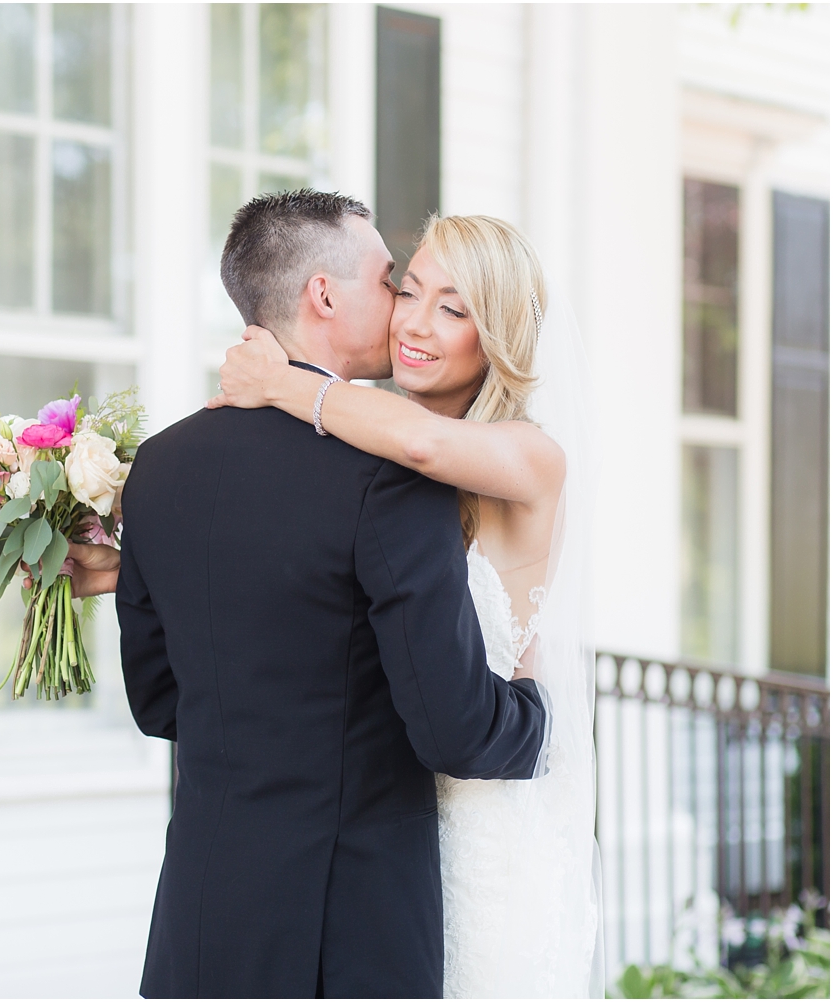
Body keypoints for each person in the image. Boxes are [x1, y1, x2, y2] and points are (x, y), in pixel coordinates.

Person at [69, 190, 551, 998]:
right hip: (347, 933)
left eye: (440, 302)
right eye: (394, 284)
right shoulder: (394, 480)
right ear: (324, 294)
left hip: (202, 918)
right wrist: (538, 718)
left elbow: (160, 703)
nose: (405, 313)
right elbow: (453, 729)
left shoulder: (159, 467)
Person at [208, 212, 604, 998]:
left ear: (496, 336)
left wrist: (282, 380)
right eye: (407, 288)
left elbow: (427, 446)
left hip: (483, 826)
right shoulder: (368, 448)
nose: (416, 324)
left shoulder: (530, 454)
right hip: (380, 837)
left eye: (454, 310)